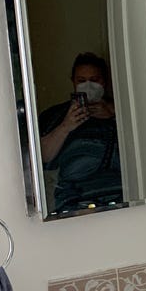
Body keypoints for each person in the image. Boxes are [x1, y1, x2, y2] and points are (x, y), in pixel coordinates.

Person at [38, 52, 123, 213]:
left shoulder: (124, 110)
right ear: (73, 82)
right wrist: (66, 126)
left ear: (104, 81)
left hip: (121, 197)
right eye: (81, 81)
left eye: (94, 80)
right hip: (74, 202)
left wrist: (115, 114)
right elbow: (41, 157)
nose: (88, 85)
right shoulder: (56, 115)